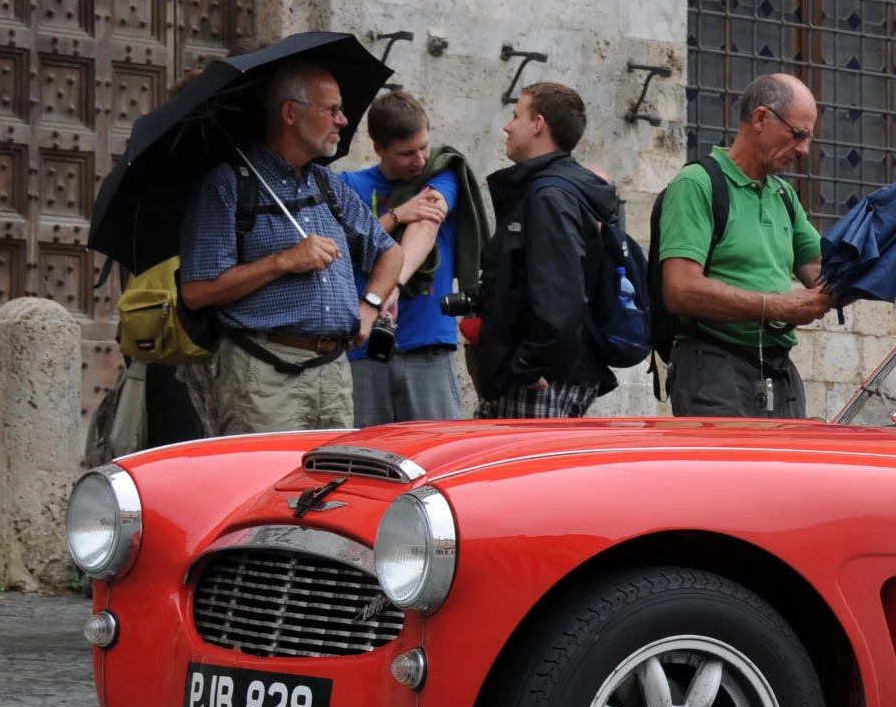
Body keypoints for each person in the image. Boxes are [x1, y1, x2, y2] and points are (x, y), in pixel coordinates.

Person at [178, 63, 403, 435]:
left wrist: (371, 306)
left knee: (332, 489)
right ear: (290, 113)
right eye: (330, 110)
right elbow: (197, 291)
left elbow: (389, 251)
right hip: (263, 376)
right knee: (267, 487)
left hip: (334, 374)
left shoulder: (328, 185)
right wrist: (284, 261)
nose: (343, 120)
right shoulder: (229, 184)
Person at [656, 74, 833, 418]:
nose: (804, 150)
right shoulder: (696, 184)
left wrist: (889, 258)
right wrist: (776, 308)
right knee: (729, 474)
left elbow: (825, 281)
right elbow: (680, 290)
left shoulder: (783, 195)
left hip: (778, 374)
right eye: (798, 135)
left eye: (808, 138)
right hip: (713, 371)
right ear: (761, 118)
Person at [473, 82, 620, 419]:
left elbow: (559, 294)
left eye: (515, 116)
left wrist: (526, 366)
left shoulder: (549, 196)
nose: (507, 126)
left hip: (541, 382)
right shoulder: (551, 190)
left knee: (514, 471)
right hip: (547, 375)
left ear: (538, 124)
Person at [343, 91, 465, 425]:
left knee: (437, 458)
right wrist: (396, 215)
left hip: (428, 345)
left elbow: (427, 223)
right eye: (407, 153)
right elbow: (341, 250)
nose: (421, 160)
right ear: (379, 148)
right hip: (364, 350)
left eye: (424, 146)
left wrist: (391, 286)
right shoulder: (347, 186)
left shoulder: (441, 174)